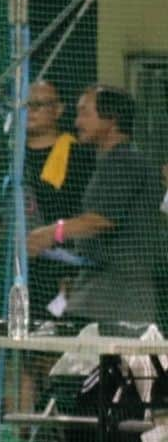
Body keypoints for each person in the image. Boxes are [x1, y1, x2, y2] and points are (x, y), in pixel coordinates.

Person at [28, 85, 165, 327]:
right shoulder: (107, 162)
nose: (78, 121)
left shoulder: (125, 161)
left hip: (120, 295)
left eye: (85, 113)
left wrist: (51, 232)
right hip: (99, 289)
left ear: (111, 120)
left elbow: (101, 220)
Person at [21, 79, 95, 321]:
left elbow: (87, 216)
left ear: (59, 110)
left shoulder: (79, 155)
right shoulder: (9, 152)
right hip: (17, 266)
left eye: (39, 105)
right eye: (26, 105)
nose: (30, 111)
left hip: (61, 266)